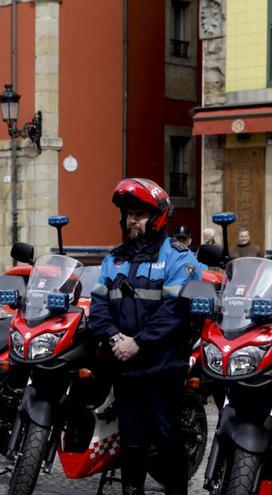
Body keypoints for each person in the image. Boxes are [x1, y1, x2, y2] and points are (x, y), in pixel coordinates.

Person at [89, 178, 201, 495]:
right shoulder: (114, 259)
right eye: (129, 214)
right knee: (131, 438)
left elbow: (175, 311)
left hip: (163, 367)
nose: (132, 220)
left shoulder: (180, 258)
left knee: (168, 436)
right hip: (126, 367)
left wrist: (137, 342)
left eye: (139, 214)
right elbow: (97, 306)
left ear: (158, 217)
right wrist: (114, 339)